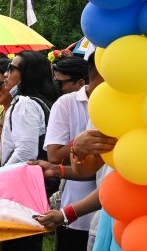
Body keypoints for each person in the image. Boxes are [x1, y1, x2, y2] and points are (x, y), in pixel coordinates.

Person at [42, 54, 99, 250]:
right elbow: (55, 155)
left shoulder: (122, 106)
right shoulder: (66, 103)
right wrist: (79, 146)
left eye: (60, 83)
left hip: (111, 214)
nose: (57, 87)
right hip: (77, 211)